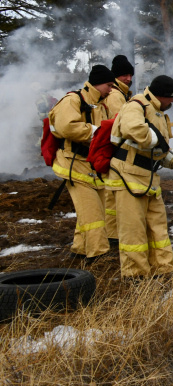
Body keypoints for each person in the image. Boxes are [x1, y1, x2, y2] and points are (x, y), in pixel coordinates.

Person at [104, 75, 173, 279]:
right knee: (133, 231)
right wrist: (158, 141)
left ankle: (164, 269)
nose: (172, 102)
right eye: (171, 98)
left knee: (158, 228)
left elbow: (159, 151)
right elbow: (134, 131)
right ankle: (136, 276)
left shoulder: (158, 113)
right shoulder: (136, 106)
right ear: (161, 95)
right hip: (128, 177)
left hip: (148, 178)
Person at [48, 64, 114, 260]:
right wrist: (96, 132)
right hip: (72, 163)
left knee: (93, 209)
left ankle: (80, 249)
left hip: (90, 164)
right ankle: (98, 253)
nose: (111, 90)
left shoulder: (101, 105)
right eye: (109, 85)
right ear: (98, 83)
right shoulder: (73, 100)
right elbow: (66, 127)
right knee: (92, 212)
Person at [103, 54, 136, 247]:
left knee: (111, 192)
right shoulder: (116, 95)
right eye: (124, 75)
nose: (128, 79)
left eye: (130, 75)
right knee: (113, 193)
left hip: (112, 146)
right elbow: (121, 122)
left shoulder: (121, 93)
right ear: (116, 75)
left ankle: (111, 232)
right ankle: (113, 233)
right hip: (116, 148)